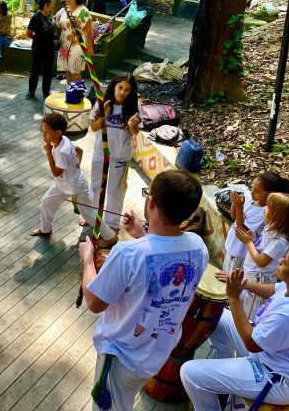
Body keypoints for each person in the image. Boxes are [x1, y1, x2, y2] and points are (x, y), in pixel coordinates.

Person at [80, 169, 208, 411]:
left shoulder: (128, 254)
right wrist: (143, 235)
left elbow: (95, 304)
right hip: (157, 350)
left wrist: (88, 261)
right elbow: (162, 264)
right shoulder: (198, 247)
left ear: (150, 202)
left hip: (122, 356)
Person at [181, 247, 289, 411]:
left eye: (285, 262)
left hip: (279, 378)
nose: (280, 260)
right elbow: (274, 290)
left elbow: (251, 343)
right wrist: (242, 284)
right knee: (217, 318)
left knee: (190, 373)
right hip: (269, 355)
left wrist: (233, 298)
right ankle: (218, 381)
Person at [82, 74, 140, 247]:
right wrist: (105, 116)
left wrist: (131, 125)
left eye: (127, 90)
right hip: (101, 153)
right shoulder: (102, 104)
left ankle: (112, 225)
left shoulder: (134, 108)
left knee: (116, 190)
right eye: (120, 87)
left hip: (120, 157)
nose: (122, 92)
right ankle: (92, 217)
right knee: (95, 186)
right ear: (114, 86)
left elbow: (135, 133)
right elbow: (93, 127)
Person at [30, 112, 98, 239]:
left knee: (88, 214)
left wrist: (48, 153)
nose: (43, 135)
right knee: (46, 202)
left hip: (76, 186)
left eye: (47, 132)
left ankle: (108, 236)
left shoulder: (62, 151)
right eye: (43, 131)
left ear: (58, 133)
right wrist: (76, 165)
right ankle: (46, 229)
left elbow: (56, 173)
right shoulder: (64, 139)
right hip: (63, 184)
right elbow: (79, 151)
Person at [235, 192, 289, 319]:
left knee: (248, 315)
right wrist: (251, 239)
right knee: (242, 307)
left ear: (279, 216)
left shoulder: (279, 240)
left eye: (269, 207)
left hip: (259, 281)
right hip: (250, 275)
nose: (264, 208)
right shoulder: (271, 229)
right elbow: (261, 249)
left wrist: (248, 242)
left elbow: (261, 261)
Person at [223, 171, 289, 273]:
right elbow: (234, 216)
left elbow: (241, 227)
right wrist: (235, 203)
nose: (251, 193)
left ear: (269, 195)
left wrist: (239, 206)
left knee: (231, 278)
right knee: (224, 274)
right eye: (252, 188)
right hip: (233, 244)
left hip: (241, 251)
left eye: (257, 191)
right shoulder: (249, 197)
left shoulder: (264, 213)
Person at [54, 0, 93, 83]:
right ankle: (70, 93)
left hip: (78, 45)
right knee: (67, 70)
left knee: (75, 70)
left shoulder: (84, 11)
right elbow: (55, 19)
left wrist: (90, 47)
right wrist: (60, 23)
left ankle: (77, 95)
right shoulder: (64, 9)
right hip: (65, 45)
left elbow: (89, 31)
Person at [26, 0, 56, 100]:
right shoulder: (36, 17)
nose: (51, 6)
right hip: (38, 48)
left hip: (50, 48)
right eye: (50, 4)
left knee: (48, 71)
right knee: (35, 70)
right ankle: (31, 92)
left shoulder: (52, 15)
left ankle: (46, 92)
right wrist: (38, 39)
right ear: (45, 5)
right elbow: (28, 33)